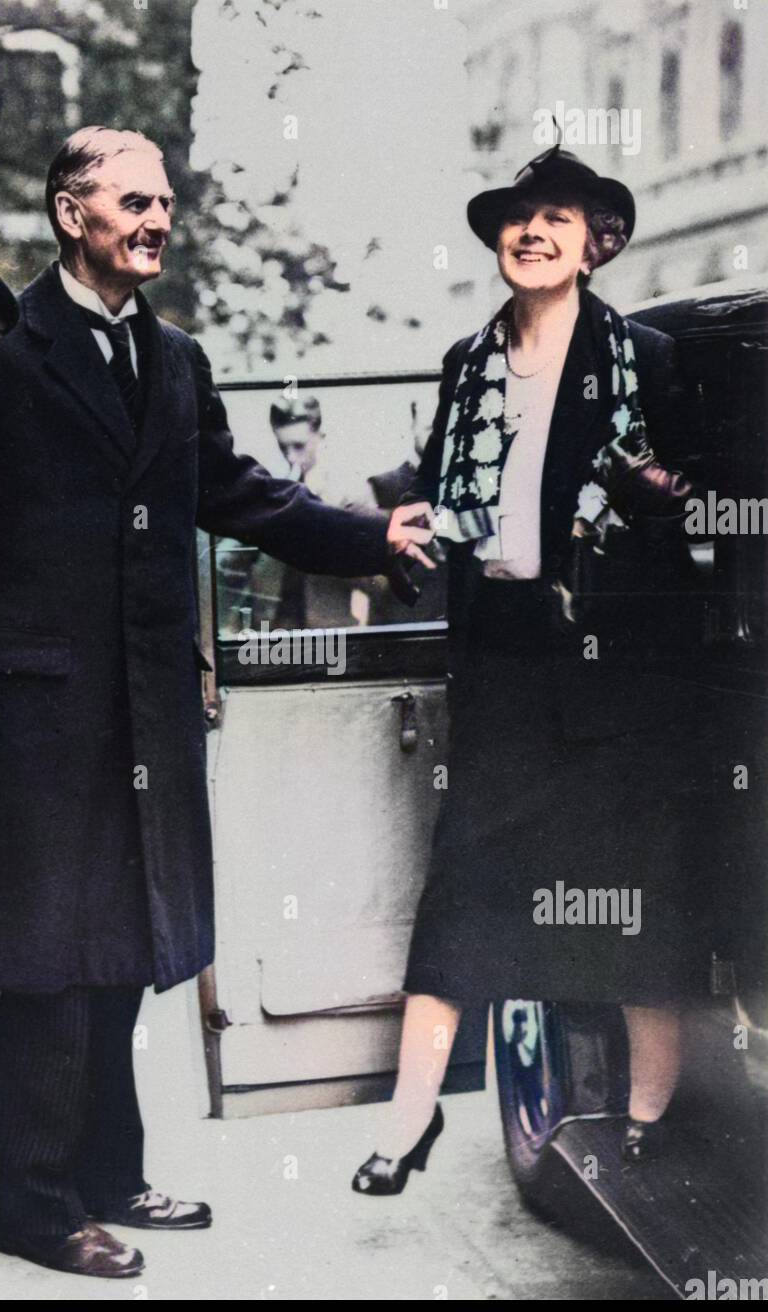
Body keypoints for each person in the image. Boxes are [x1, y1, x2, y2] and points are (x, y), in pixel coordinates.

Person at [0, 128, 431, 1278]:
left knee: (122, 948)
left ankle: (109, 1172)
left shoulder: (176, 358)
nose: (158, 219)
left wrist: (369, 535)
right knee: (46, 964)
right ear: (71, 212)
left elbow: (237, 490)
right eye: (134, 201)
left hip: (146, 706)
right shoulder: (0, 348)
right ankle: (31, 1206)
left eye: (165, 203)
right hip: (36, 711)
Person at [352, 145, 708, 1195]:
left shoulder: (645, 357)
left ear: (596, 244)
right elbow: (440, 494)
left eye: (557, 217)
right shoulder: (468, 362)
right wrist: (398, 538)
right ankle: (408, 1115)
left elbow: (690, 505)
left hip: (617, 670)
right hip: (503, 658)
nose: (532, 232)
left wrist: (654, 501)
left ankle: (647, 1115)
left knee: (629, 896)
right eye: (517, 217)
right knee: (464, 891)